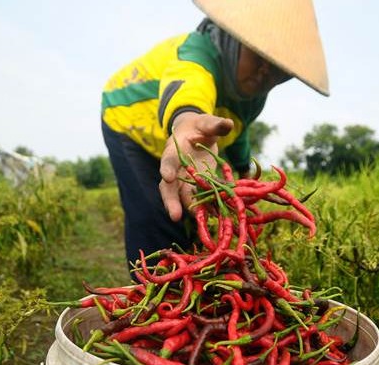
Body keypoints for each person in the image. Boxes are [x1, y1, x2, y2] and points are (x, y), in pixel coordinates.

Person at [100, 0, 329, 274]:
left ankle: (182, 297)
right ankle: (149, 300)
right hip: (128, 120)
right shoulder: (198, 50)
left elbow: (235, 129)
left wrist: (244, 169)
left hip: (181, 143)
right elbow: (188, 84)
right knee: (153, 218)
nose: (265, 74)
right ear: (235, 38)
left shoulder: (253, 99)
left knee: (193, 216)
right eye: (259, 57)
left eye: (280, 70)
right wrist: (187, 118)